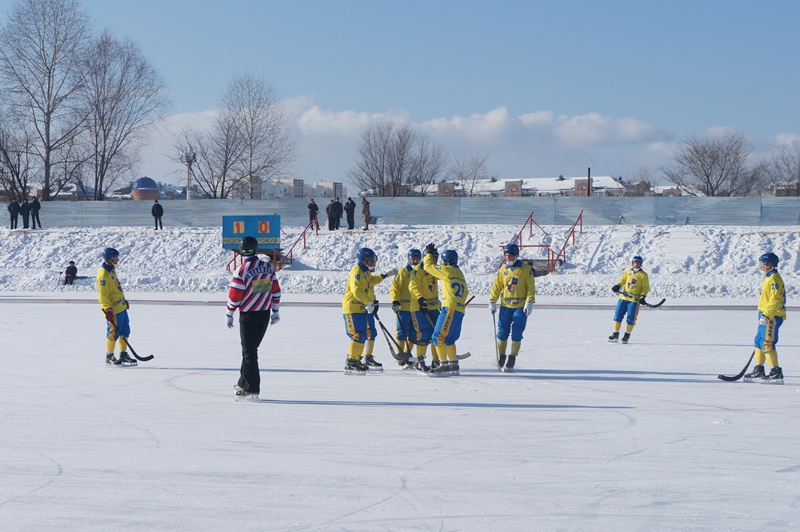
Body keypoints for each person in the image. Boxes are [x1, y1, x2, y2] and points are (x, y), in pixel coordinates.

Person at [225, 236, 282, 401]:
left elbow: (235, 295)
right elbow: (276, 291)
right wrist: (275, 311)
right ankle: (243, 383)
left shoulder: (242, 270)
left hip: (249, 315)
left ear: (242, 251)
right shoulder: (267, 268)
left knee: (249, 352)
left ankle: (252, 388)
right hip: (263, 314)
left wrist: (229, 313)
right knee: (249, 351)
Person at [342, 247, 398, 373]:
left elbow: (372, 281)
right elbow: (357, 291)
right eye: (371, 260)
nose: (374, 263)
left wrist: (386, 274)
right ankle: (351, 361)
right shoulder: (356, 271)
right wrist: (369, 302)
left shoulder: (366, 272)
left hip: (361, 308)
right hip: (352, 308)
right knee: (357, 335)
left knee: (363, 334)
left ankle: (356, 359)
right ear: (363, 260)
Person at [423, 244, 469, 375]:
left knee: (437, 337)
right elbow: (466, 291)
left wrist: (429, 254)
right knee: (449, 339)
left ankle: (443, 364)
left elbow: (428, 267)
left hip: (449, 308)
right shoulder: (459, 273)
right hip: (460, 309)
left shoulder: (446, 270)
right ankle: (454, 364)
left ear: (446, 261)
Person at [489, 243, 536, 371]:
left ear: (515, 256)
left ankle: (512, 357)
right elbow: (497, 286)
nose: (507, 259)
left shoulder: (526, 270)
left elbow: (531, 287)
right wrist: (492, 300)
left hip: (520, 306)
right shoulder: (503, 270)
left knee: (517, 332)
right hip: (505, 306)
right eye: (506, 256)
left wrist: (530, 301)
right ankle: (502, 356)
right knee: (502, 332)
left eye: (510, 256)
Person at [744, 252, 787, 383]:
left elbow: (775, 300)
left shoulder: (774, 279)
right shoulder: (768, 278)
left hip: (771, 316)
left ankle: (776, 370)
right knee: (758, 341)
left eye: (762, 263)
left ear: (769, 265)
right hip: (764, 314)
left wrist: (767, 315)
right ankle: (759, 368)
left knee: (767, 343)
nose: (760, 265)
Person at [390, 248, 430, 371]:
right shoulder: (403, 272)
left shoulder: (421, 272)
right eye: (413, 258)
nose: (415, 261)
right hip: (403, 309)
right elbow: (394, 288)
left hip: (415, 309)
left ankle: (407, 355)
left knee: (414, 333)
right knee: (402, 333)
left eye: (418, 258)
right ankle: (401, 356)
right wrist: (395, 300)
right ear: (409, 259)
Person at [97, 247, 136, 366]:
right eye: (115, 258)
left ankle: (123, 354)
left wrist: (123, 300)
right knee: (113, 333)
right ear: (109, 258)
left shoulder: (111, 270)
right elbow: (103, 295)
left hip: (121, 307)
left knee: (125, 330)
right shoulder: (103, 274)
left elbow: (116, 288)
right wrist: (107, 310)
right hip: (113, 310)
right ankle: (109, 356)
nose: (118, 260)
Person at [409, 247, 443, 371]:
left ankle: (436, 360)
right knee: (424, 334)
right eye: (432, 258)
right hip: (419, 308)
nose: (435, 260)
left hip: (433, 307)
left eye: (436, 258)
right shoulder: (418, 271)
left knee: (437, 333)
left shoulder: (434, 269)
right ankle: (420, 361)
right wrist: (420, 298)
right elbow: (413, 286)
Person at [608, 255, 650, 344]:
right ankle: (615, 333)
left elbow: (645, 287)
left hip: (634, 300)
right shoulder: (628, 271)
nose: (637, 264)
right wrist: (618, 285)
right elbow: (623, 280)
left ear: (641, 264)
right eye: (635, 262)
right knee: (618, 315)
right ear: (632, 263)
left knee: (631, 318)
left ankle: (627, 335)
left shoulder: (643, 275)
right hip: (623, 298)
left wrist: (643, 296)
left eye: (639, 263)